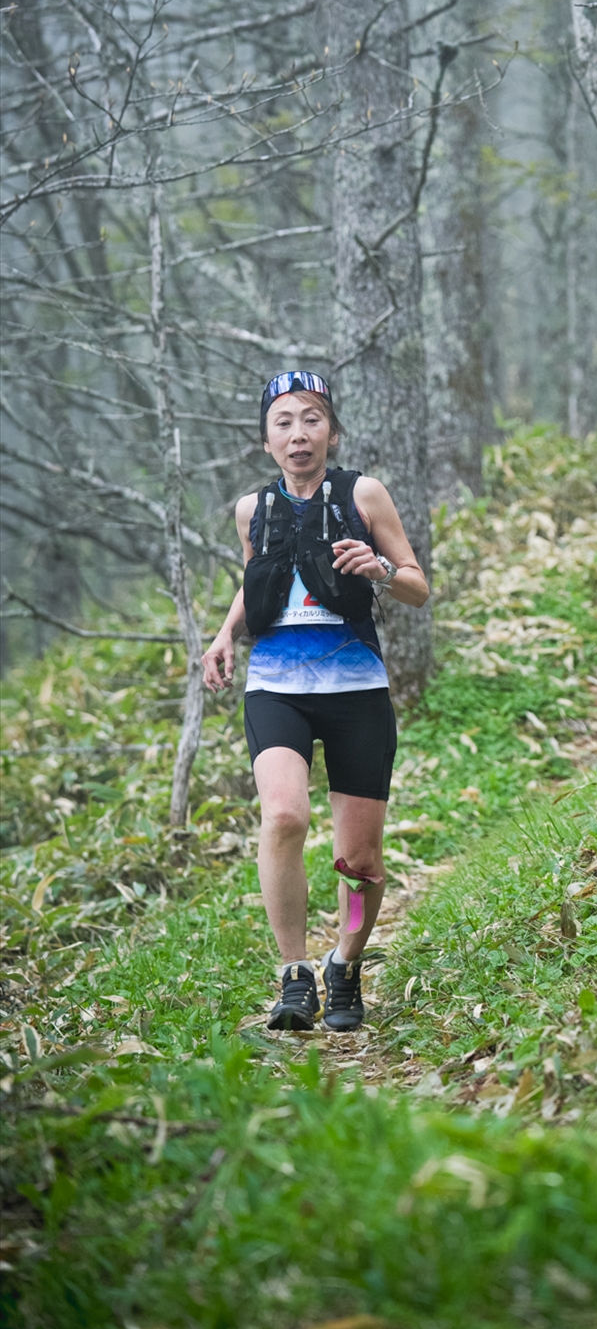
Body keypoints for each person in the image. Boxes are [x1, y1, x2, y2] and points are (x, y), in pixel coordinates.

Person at [201, 371, 429, 1032]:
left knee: (360, 861)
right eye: (284, 421)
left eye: (311, 419)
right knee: (283, 816)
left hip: (356, 691)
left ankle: (345, 964)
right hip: (275, 686)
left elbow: (416, 587)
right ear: (266, 438)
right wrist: (225, 633)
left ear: (332, 431)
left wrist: (381, 569)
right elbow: (259, 576)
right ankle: (294, 974)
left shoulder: (363, 494)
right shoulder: (253, 509)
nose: (298, 434)